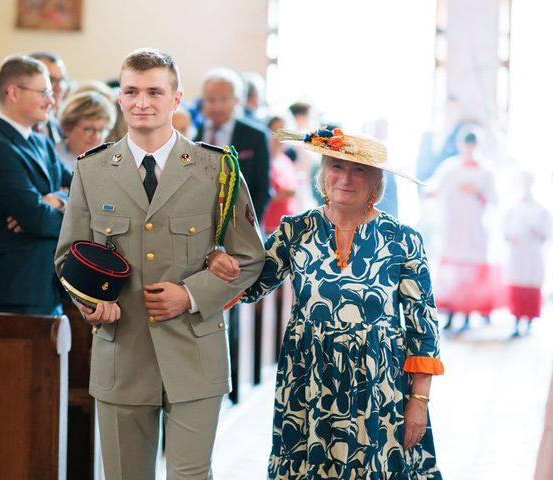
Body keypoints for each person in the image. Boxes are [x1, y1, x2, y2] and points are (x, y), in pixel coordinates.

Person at [54, 48, 265, 480]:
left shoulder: (216, 168)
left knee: (190, 474)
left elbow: (249, 257)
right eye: (131, 91)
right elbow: (68, 257)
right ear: (120, 98)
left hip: (195, 349)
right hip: (122, 349)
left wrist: (190, 294)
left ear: (176, 98)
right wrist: (90, 305)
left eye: (154, 91)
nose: (142, 102)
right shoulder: (92, 171)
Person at [209, 126, 444, 479]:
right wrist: (218, 259)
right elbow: (250, 286)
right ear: (323, 172)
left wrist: (419, 401)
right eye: (337, 166)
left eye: (358, 170)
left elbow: (422, 327)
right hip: (308, 382)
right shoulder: (294, 230)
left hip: (379, 389)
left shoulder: (403, 240)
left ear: (375, 182)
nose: (345, 178)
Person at [0, 54, 72, 315]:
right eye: (44, 92)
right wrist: (65, 213)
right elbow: (38, 220)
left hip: (46, 283)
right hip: (13, 287)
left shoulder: (41, 142)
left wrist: (58, 200)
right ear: (13, 92)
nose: (51, 100)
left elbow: (84, 188)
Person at [425, 126, 497, 331]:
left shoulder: (486, 171)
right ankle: (452, 311)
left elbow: (495, 200)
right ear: (460, 145)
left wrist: (478, 192)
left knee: (472, 271)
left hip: (475, 228)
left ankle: (468, 312)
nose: (469, 149)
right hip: (454, 227)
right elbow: (435, 186)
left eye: (473, 145)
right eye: (466, 145)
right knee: (453, 272)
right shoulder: (450, 168)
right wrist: (430, 192)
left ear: (479, 146)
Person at [194, 67, 271, 222]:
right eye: (210, 99)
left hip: (240, 221)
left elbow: (263, 188)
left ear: (237, 100)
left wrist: (249, 225)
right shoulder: (195, 133)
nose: (216, 107)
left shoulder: (256, 136)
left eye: (223, 100)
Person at [503, 171, 551, 337]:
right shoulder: (513, 208)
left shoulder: (541, 209)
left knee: (530, 285)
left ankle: (529, 321)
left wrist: (536, 232)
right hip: (517, 254)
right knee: (517, 285)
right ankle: (516, 321)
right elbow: (505, 230)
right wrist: (510, 236)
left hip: (532, 254)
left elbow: (547, 234)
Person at [56, 91, 116, 171]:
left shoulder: (113, 162)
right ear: (69, 126)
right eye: (88, 129)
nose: (96, 136)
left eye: (102, 130)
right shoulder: (53, 157)